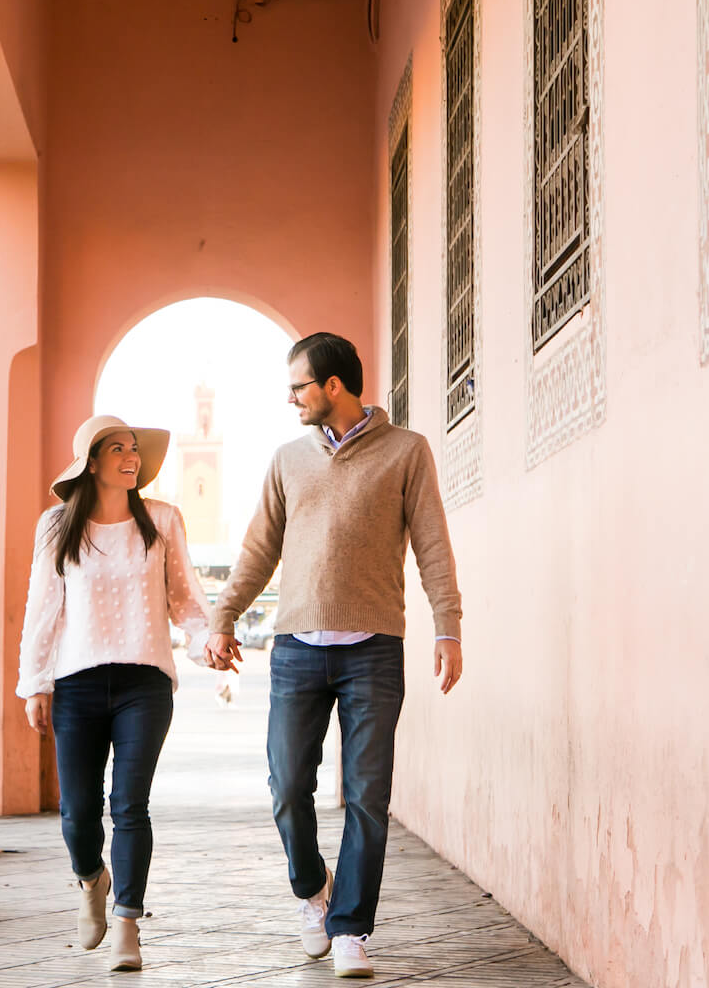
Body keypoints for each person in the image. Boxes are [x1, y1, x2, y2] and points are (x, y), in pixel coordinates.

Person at [204, 332, 463, 979]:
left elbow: (432, 544)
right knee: (288, 787)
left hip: (374, 651)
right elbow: (259, 549)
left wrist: (448, 628)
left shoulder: (407, 452)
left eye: (299, 386)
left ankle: (350, 926)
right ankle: (311, 887)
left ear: (334, 386)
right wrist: (223, 616)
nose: (290, 397)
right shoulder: (288, 459)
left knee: (368, 795)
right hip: (296, 650)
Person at [17, 415, 212, 972]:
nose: (131, 457)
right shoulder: (57, 526)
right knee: (78, 812)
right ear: (91, 462)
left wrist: (208, 643)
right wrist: (35, 684)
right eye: (118, 449)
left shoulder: (162, 520)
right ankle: (91, 878)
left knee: (130, 805)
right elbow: (43, 608)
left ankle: (127, 920)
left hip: (144, 682)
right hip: (76, 683)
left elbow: (186, 600)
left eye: (134, 449)